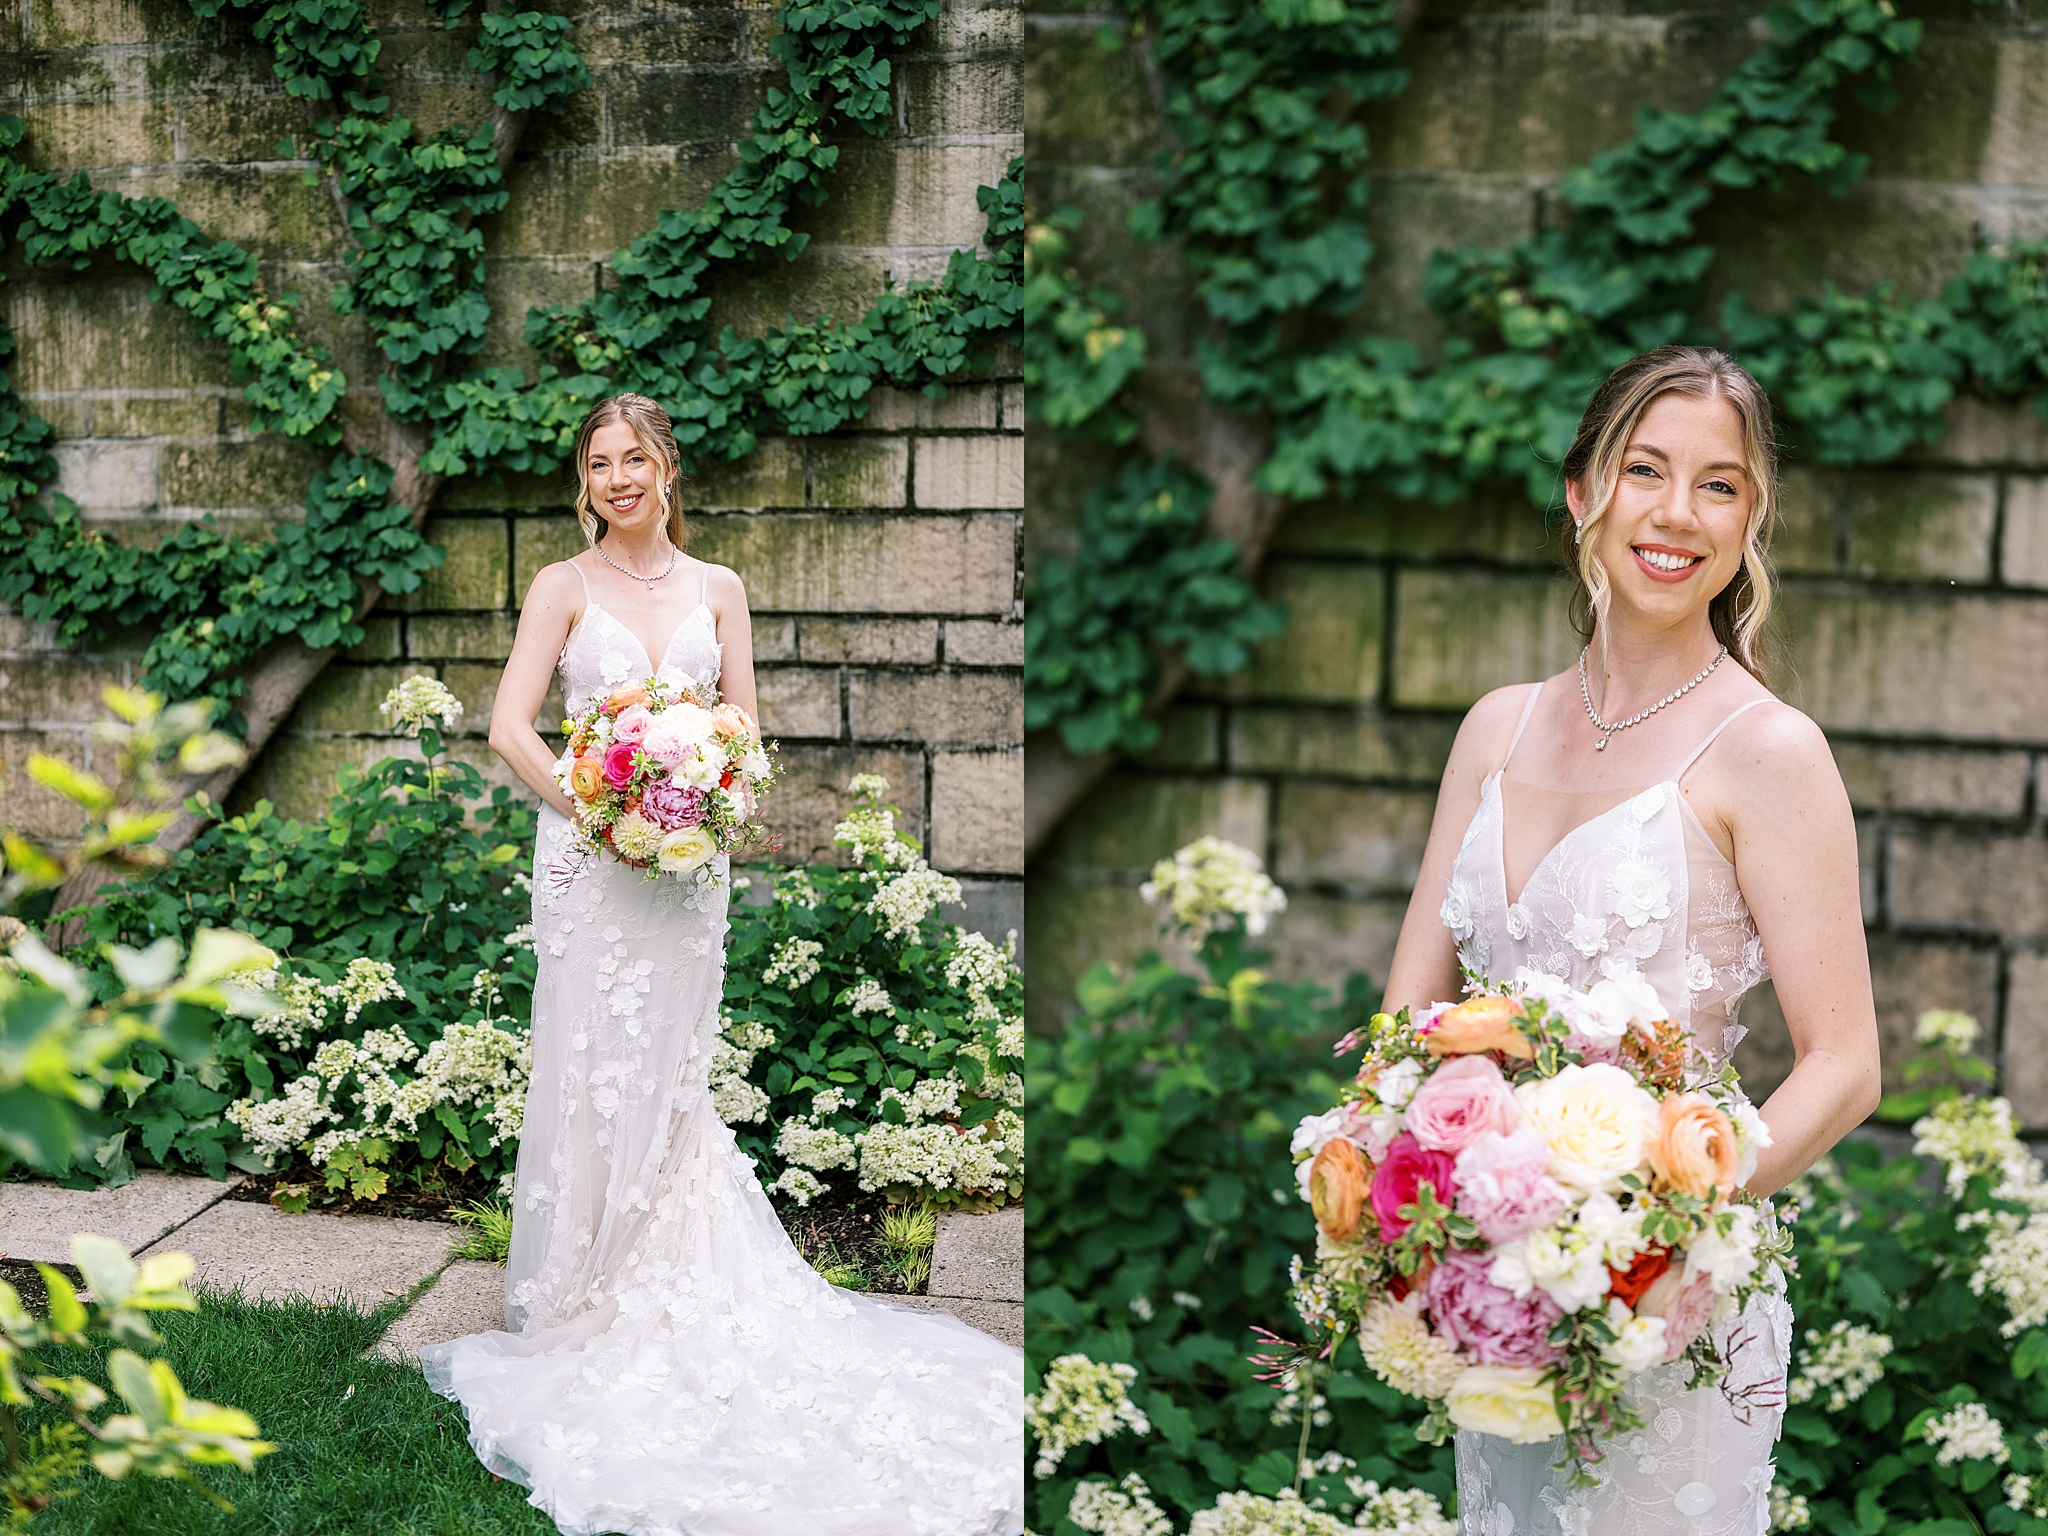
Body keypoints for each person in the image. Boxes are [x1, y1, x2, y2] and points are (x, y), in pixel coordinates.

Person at [420, 393, 1024, 1536]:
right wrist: (598, 812)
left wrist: (710, 797)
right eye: (597, 462)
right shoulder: (561, 586)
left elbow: (741, 726)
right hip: (590, 866)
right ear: (584, 481)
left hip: (688, 872)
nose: (615, 478)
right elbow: (508, 727)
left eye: (632, 458)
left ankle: (669, 1274)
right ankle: (579, 1294)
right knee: (592, 1068)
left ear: (666, 468)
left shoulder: (720, 588)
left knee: (668, 1075)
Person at [1379, 347, 1881, 1534]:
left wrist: (1648, 1237)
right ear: (1580, 493)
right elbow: (1407, 1025)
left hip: (1675, 1298)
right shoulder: (1493, 730)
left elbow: (1846, 1066)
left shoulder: (1768, 752)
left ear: (1750, 519)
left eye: (1718, 485)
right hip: (1498, 1287)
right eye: (1643, 470)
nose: (1674, 513)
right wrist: (1424, 1217)